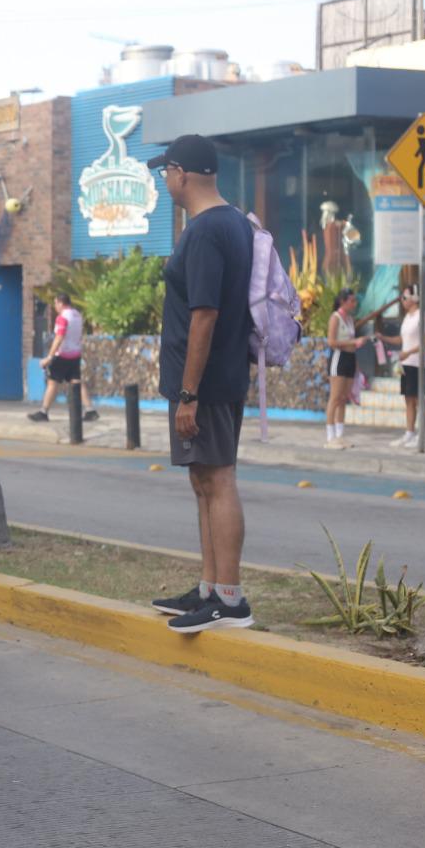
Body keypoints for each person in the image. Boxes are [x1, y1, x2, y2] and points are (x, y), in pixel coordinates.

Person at [144, 135, 255, 634]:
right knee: (203, 480)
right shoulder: (232, 222)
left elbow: (204, 316)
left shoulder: (207, 230)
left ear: (180, 173)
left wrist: (188, 393)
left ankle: (229, 598)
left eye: (164, 172)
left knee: (218, 479)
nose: (164, 180)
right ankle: (211, 588)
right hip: (217, 378)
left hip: (206, 384)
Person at [377, 284, 425, 449]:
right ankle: (409, 433)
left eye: (404, 297)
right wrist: (384, 338)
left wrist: (409, 352)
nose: (402, 300)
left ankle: (421, 434)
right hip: (407, 365)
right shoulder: (407, 318)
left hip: (420, 364)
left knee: (421, 400)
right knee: (409, 400)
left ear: (414, 298)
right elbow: (402, 340)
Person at [28, 293, 98, 423]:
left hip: (63, 355)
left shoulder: (62, 317)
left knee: (52, 382)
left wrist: (49, 357)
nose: (55, 307)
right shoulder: (77, 315)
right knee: (76, 382)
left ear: (61, 303)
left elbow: (59, 337)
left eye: (55, 303)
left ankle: (44, 412)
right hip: (75, 354)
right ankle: (90, 410)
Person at [322, 288, 364, 449]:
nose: (354, 303)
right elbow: (331, 342)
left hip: (350, 359)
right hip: (338, 359)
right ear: (343, 301)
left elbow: (352, 341)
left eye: (355, 300)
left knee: (343, 398)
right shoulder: (335, 318)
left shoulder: (350, 319)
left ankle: (340, 436)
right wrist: (353, 342)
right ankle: (330, 436)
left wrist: (355, 346)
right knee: (335, 397)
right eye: (351, 301)